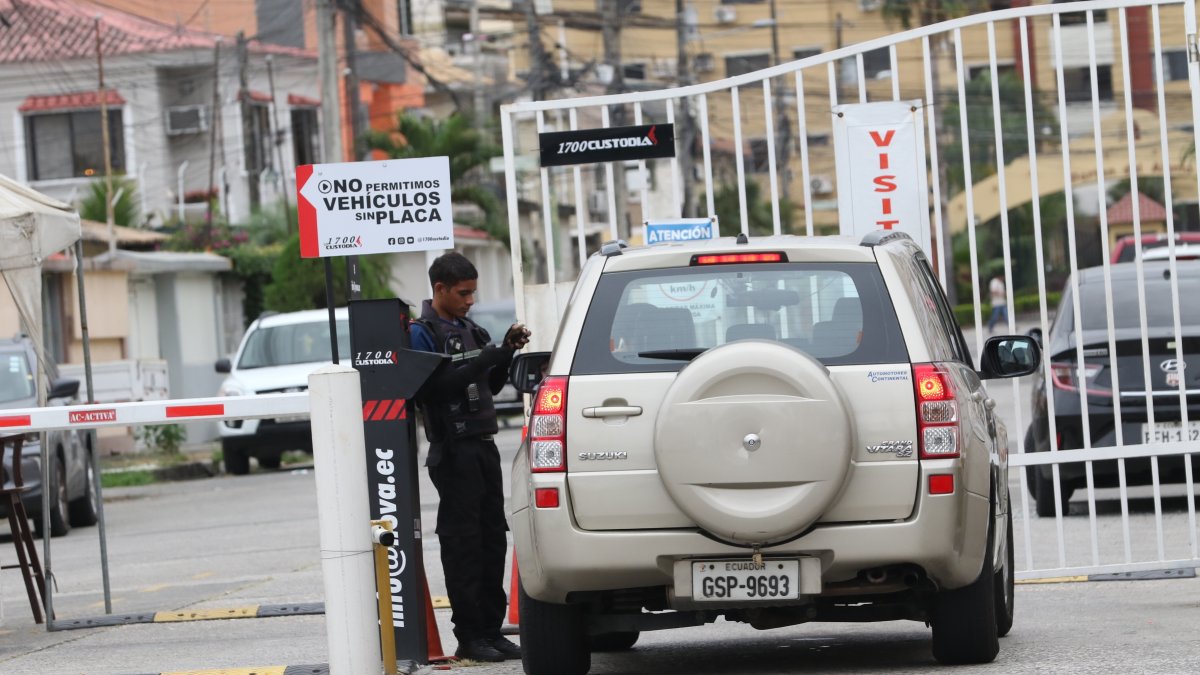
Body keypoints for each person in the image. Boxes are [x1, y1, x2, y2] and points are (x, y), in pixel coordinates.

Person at [410, 252, 530, 663]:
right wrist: (485, 358)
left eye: (473, 293)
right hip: (453, 451)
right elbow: (434, 390)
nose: (469, 301)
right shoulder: (421, 333)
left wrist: (506, 351)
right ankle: (470, 634)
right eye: (462, 293)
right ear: (439, 289)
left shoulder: (470, 329)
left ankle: (491, 631)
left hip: (482, 446)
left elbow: (490, 384)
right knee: (463, 544)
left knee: (492, 539)